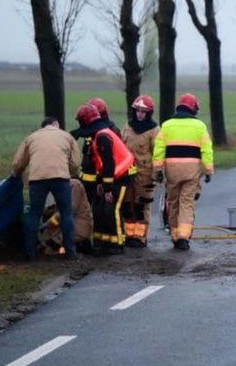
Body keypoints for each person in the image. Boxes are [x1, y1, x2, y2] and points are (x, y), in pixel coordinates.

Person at [12, 117, 81, 260]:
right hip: (61, 178)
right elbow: (75, 162)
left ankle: (30, 253)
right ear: (56, 124)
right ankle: (70, 252)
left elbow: (19, 163)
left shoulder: (32, 137)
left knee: (34, 215)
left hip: (37, 179)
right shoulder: (66, 136)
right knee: (66, 214)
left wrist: (16, 174)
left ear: (42, 126)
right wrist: (67, 172)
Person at [153, 93, 214, 251]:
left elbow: (158, 150)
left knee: (173, 202)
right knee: (186, 203)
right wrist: (208, 170)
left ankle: (174, 235)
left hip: (172, 171)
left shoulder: (166, 125)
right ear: (193, 109)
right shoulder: (199, 126)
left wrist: (158, 170)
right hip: (191, 172)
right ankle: (183, 237)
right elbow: (207, 151)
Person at [74, 103, 135, 255]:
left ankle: (117, 244)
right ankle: (103, 241)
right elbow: (101, 164)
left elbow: (109, 163)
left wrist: (107, 187)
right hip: (112, 176)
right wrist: (101, 182)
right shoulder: (98, 134)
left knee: (112, 209)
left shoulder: (102, 136)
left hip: (122, 176)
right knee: (100, 210)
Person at [122, 95, 159, 247]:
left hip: (145, 175)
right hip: (127, 173)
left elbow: (158, 154)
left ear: (149, 113)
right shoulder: (127, 127)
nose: (140, 114)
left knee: (142, 207)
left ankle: (140, 237)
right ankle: (129, 236)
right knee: (128, 205)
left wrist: (157, 173)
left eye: (143, 112)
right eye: (138, 111)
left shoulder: (155, 131)